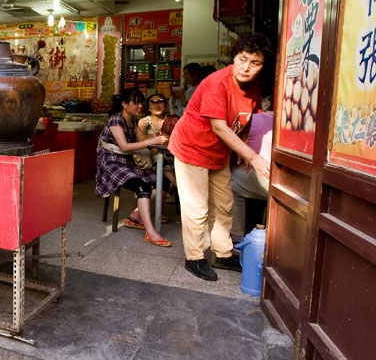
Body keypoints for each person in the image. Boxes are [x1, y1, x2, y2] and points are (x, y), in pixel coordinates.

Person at [168, 33, 272, 281]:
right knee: (197, 208)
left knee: (224, 205)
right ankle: (194, 258)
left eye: (255, 63)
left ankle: (223, 253)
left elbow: (248, 118)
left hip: (218, 152)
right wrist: (254, 157)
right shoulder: (218, 83)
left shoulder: (253, 85)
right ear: (234, 57)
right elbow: (220, 127)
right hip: (191, 148)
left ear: (262, 66)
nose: (246, 68)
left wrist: (244, 146)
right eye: (242, 59)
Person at [96, 88, 171, 247]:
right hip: (111, 162)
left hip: (127, 162)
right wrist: (150, 142)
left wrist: (154, 138)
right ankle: (151, 233)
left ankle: (134, 216)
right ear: (124, 104)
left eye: (140, 103)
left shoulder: (134, 121)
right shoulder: (116, 120)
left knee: (162, 182)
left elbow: (142, 141)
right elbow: (124, 146)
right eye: (135, 103)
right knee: (142, 187)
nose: (139, 106)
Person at [230, 111, 273, 241]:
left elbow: (243, 161)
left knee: (233, 180)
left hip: (271, 181)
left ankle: (236, 235)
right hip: (294, 182)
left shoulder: (252, 120)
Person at [138, 93, 177, 190]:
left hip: (173, 154)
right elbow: (139, 143)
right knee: (161, 159)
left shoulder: (173, 120)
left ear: (166, 106)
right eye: (153, 102)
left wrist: (167, 138)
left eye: (160, 101)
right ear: (149, 108)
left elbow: (180, 140)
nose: (157, 105)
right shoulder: (144, 122)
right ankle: (179, 188)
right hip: (151, 157)